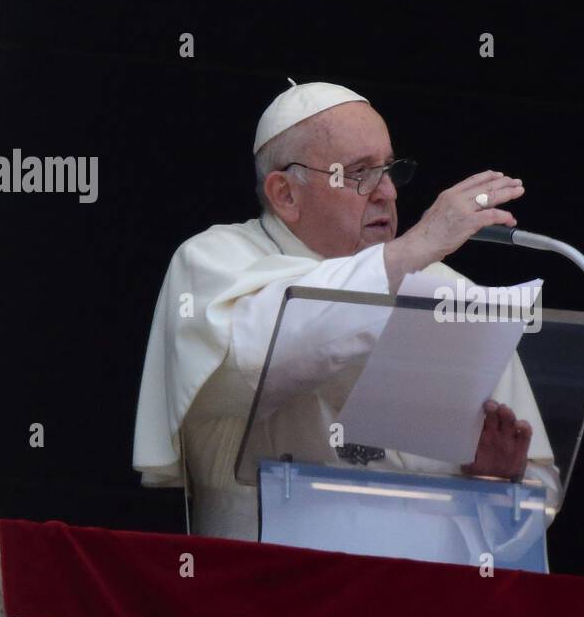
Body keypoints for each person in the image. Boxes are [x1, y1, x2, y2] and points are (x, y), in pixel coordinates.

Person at [132, 79, 560, 544]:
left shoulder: (446, 289)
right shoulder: (213, 260)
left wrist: (497, 483)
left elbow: (541, 494)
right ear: (285, 194)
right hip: (271, 596)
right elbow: (264, 355)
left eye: (390, 169)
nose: (388, 193)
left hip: (423, 598)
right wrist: (413, 249)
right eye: (359, 173)